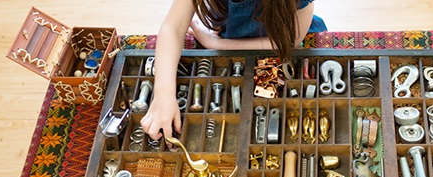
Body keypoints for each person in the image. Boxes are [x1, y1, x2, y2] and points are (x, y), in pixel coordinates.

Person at [140, 0, 327, 142]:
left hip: (282, 37)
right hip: (232, 33)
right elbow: (173, 26)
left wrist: (216, 44)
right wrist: (163, 94)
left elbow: (291, 40)